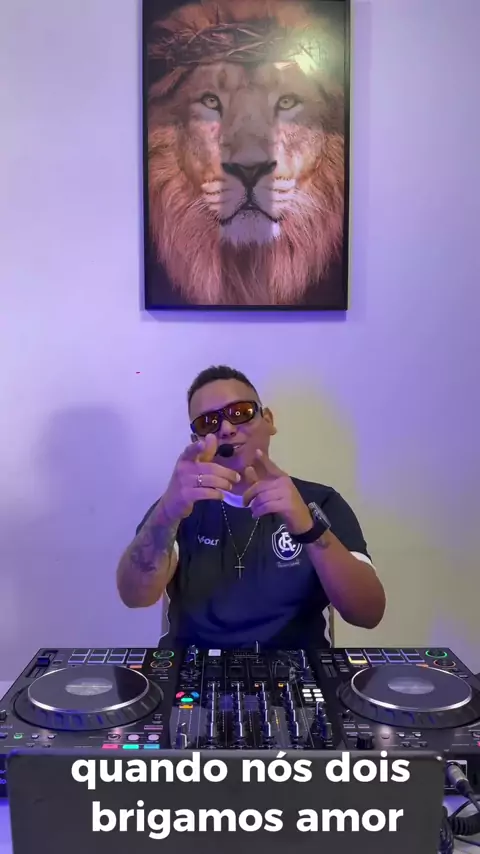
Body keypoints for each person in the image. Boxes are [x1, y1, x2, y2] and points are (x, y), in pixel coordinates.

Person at [116, 366, 386, 648]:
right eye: (208, 423)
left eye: (240, 412)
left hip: (298, 666)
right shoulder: (178, 506)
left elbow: (367, 613)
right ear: (197, 441)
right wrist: (167, 512)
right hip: (194, 667)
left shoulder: (321, 502)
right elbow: (135, 597)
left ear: (268, 420)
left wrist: (309, 528)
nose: (227, 429)